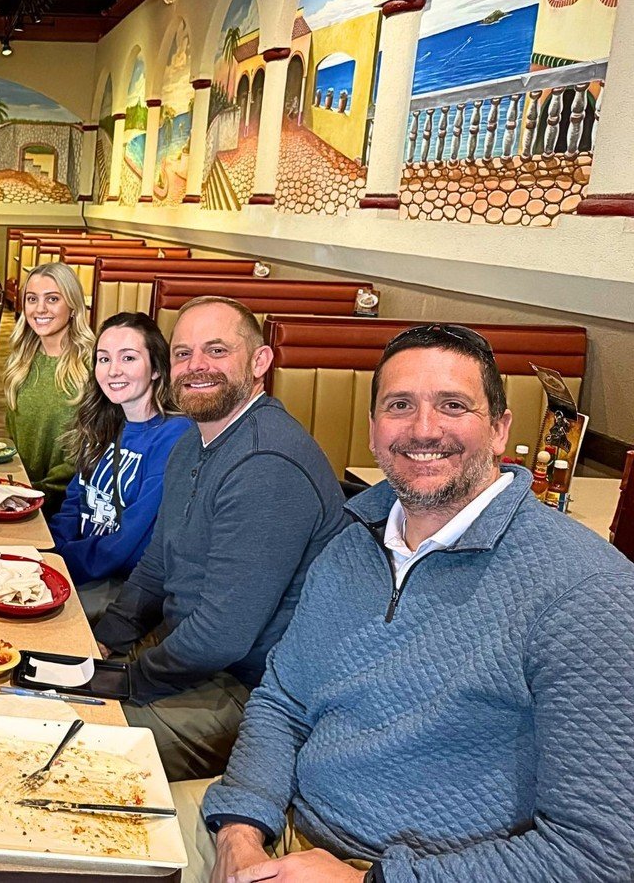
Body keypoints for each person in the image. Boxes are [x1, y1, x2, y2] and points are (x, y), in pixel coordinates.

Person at [188, 324, 634, 883]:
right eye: (400, 405)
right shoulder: (352, 542)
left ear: (499, 429)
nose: (424, 430)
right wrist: (241, 828)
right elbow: (283, 702)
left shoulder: (588, 591)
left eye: (453, 405)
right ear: (374, 432)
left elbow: (599, 854)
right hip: (283, 834)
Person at [93, 296, 346, 781]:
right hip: (189, 657)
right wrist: (105, 642)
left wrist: (129, 679)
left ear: (260, 361)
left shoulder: (266, 464)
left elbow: (220, 636)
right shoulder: (194, 439)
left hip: (256, 694)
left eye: (216, 351)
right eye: (183, 354)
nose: (196, 367)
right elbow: (156, 564)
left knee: (85, 746)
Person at [49, 312, 194, 619]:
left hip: (120, 582)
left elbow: (131, 540)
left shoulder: (174, 436)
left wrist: (58, 562)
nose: (113, 370)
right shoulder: (106, 421)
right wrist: (50, 549)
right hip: (78, 565)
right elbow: (75, 501)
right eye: (103, 359)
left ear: (155, 368)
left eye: (128, 358)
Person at [2, 261, 96, 518]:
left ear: (73, 306)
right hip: (18, 496)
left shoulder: (93, 365)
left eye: (52, 299)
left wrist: (34, 493)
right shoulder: (22, 359)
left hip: (64, 506)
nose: (40, 309)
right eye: (32, 299)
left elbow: (88, 452)